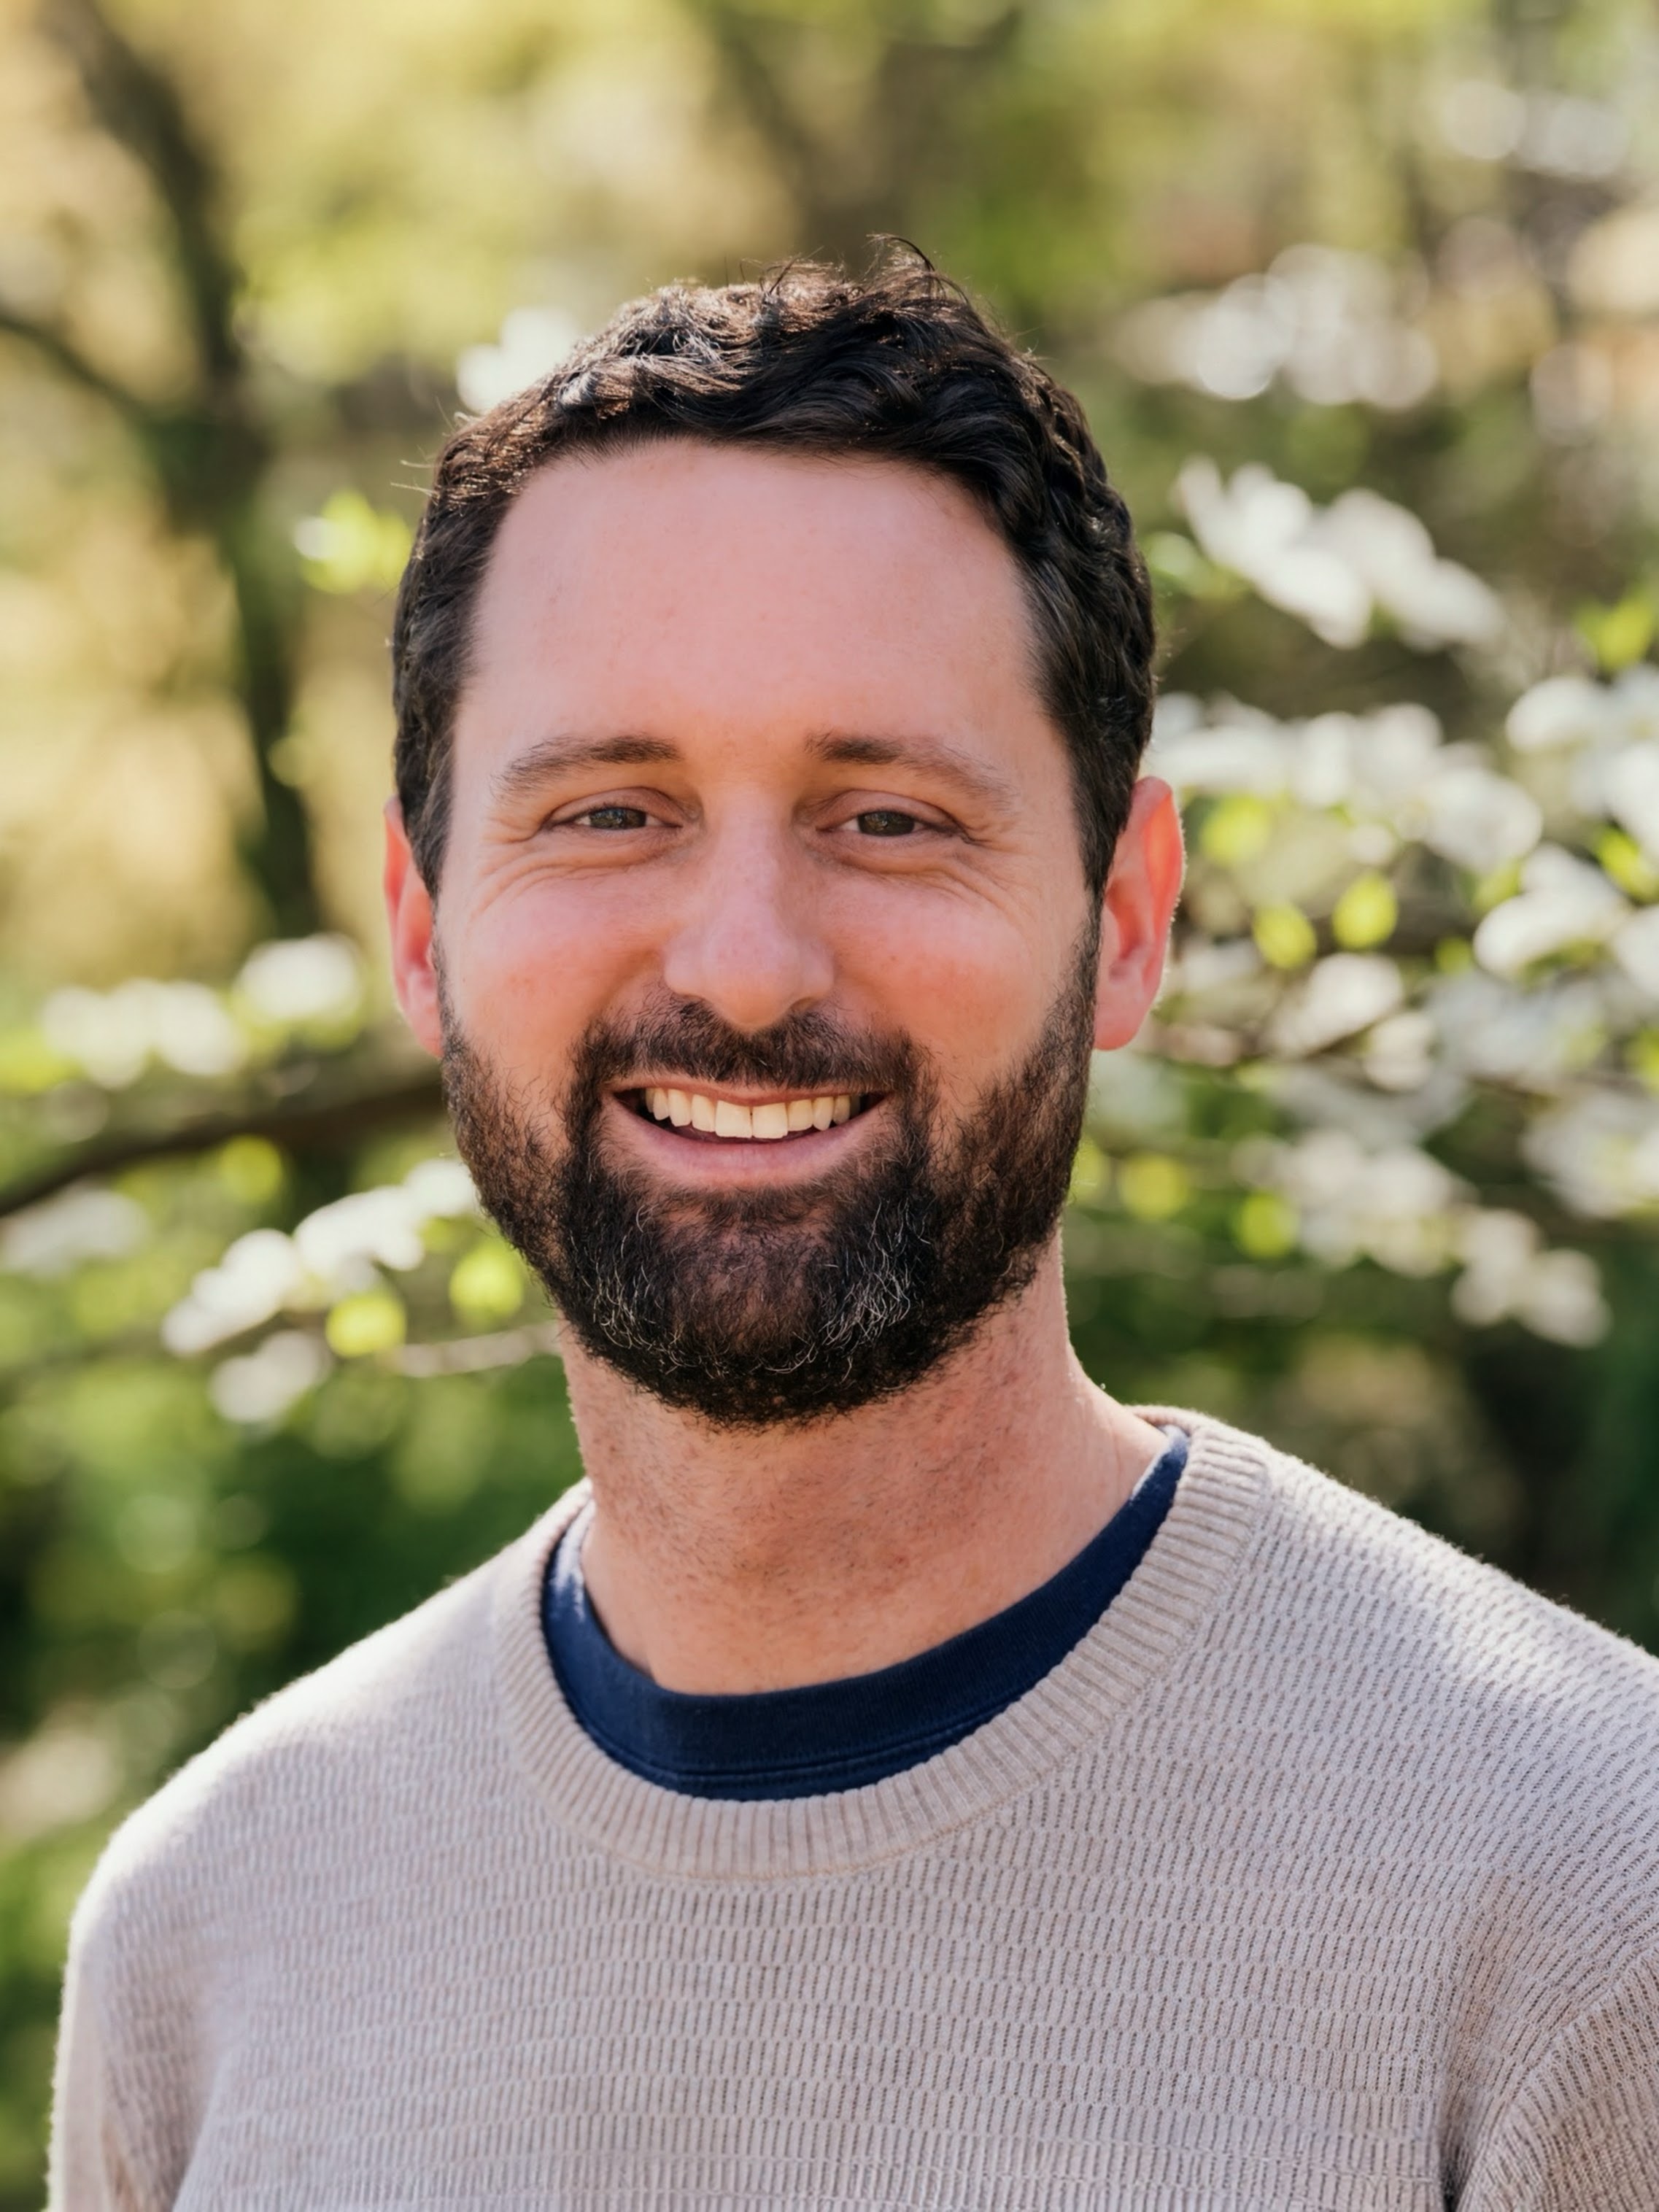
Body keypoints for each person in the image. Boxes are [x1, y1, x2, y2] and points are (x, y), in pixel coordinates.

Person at [50, 253, 1659, 2210]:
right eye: (605, 813)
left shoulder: (1582, 1899)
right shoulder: (211, 1935)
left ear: (1126, 914)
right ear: (417, 927)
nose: (741, 968)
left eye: (887, 816)